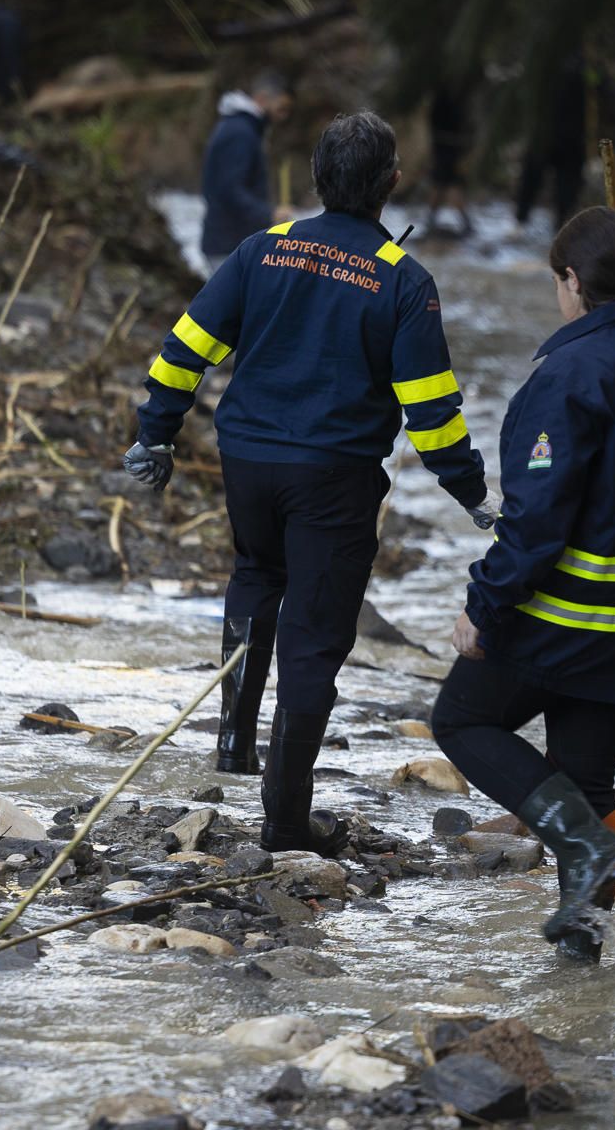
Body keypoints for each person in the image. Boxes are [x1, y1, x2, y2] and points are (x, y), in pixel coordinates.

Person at [125, 111, 497, 856]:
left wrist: (155, 433)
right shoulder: (403, 280)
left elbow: (186, 345)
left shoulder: (261, 250)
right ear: (392, 183)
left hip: (250, 460)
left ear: (317, 180)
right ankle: (286, 822)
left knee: (256, 574)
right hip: (333, 477)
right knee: (316, 635)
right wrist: (474, 494)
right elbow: (430, 410)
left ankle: (234, 741)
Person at [432, 207, 615, 958]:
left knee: (462, 721)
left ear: (572, 282)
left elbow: (534, 524)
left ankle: (582, 846)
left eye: (557, 283)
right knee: (587, 778)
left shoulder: (569, 373)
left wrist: (484, 606)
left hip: (567, 620)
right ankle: (581, 953)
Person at [198, 70, 292, 275]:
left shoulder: (240, 128)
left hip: (231, 242)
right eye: (281, 108)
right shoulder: (240, 132)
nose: (282, 117)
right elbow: (229, 189)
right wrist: (269, 214)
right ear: (262, 98)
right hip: (227, 245)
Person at [514, 51, 588, 228]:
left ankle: (524, 220)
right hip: (568, 138)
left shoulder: (546, 68)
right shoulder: (582, 69)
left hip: (553, 137)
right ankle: (558, 222)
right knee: (560, 184)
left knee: (535, 179)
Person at [425, 82, 475, 238]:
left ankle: (433, 220)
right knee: (449, 185)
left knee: (446, 185)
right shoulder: (448, 96)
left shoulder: (451, 94)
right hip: (447, 148)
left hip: (447, 148)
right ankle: (462, 222)